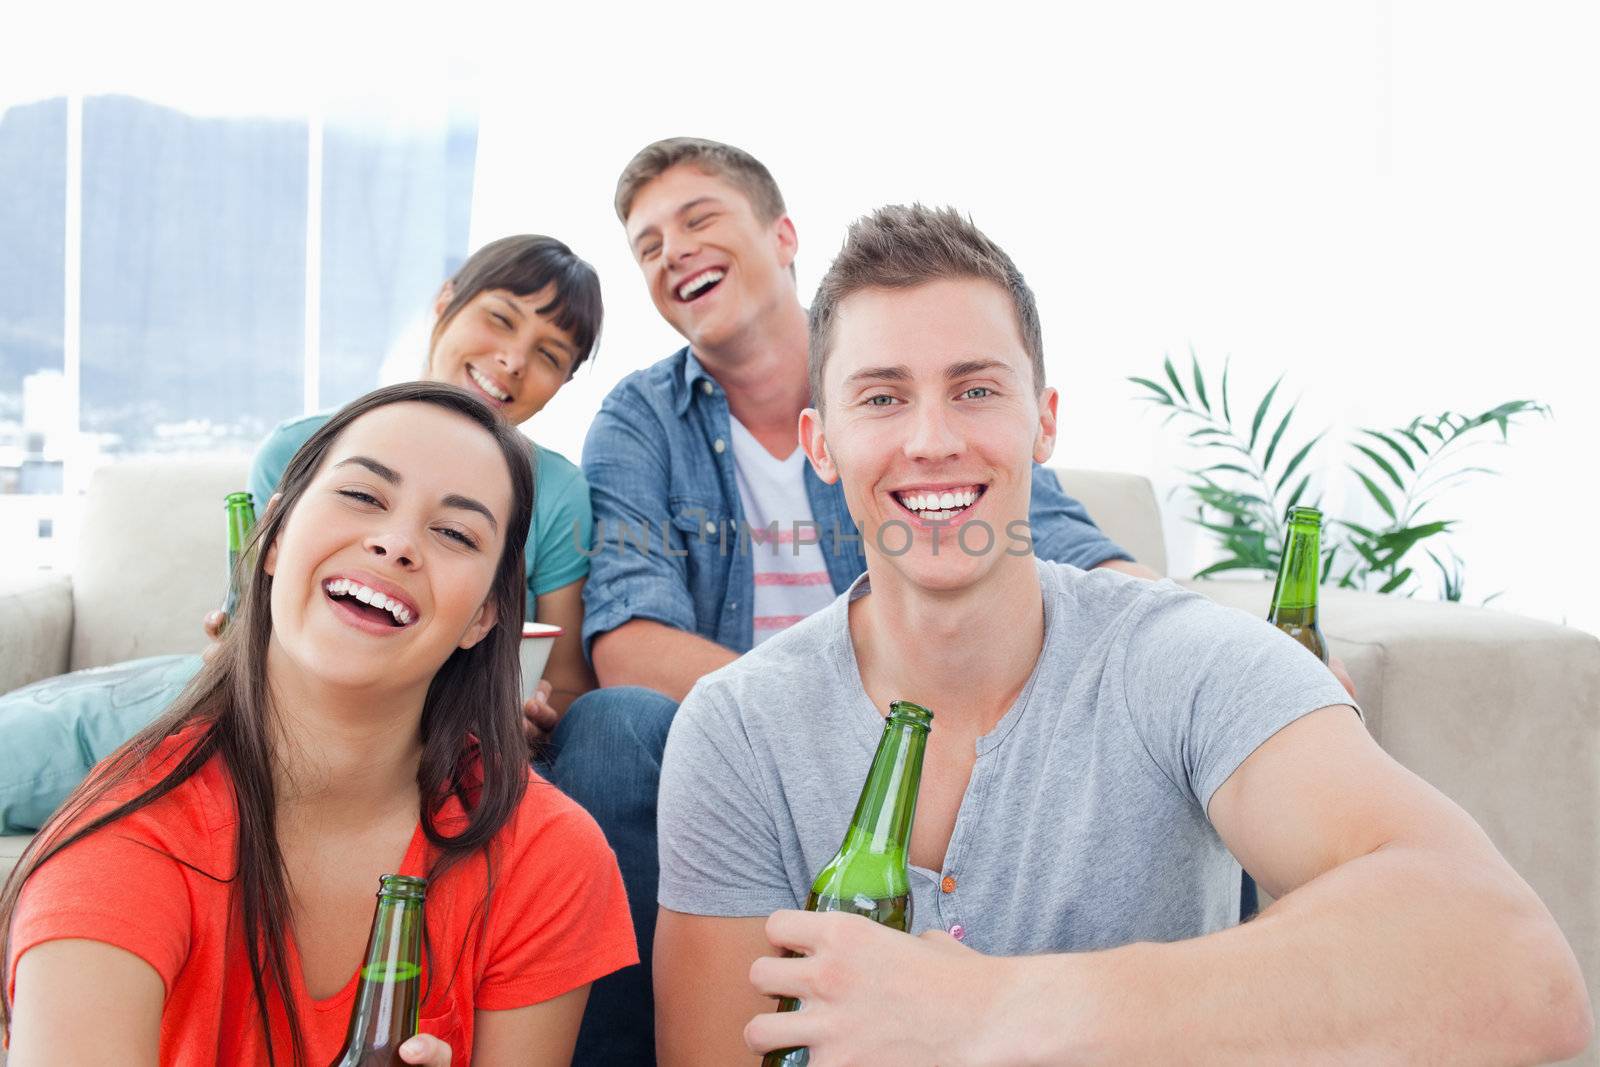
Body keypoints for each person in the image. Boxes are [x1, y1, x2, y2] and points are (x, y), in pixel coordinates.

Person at [652, 205, 1591, 1064]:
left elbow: (1520, 974)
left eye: (977, 390)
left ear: (1045, 423)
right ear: (820, 442)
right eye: (883, 397)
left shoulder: (1184, 662)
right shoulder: (739, 727)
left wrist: (991, 1010)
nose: (932, 438)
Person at [550, 138, 1156, 1063]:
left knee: (1178, 717)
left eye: (699, 218)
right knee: (611, 726)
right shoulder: (640, 421)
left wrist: (1221, 648)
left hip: (938, 717)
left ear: (784, 235)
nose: (673, 249)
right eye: (647, 244)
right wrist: (814, 716)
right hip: (740, 748)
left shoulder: (917, 395)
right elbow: (630, 642)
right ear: (818, 440)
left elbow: (1070, 548)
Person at [2, 382, 637, 1065]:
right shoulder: (124, 844)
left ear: (483, 616)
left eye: (454, 532)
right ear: (271, 536)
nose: (395, 543)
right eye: (364, 495)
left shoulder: (546, 854)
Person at [0, 234, 602, 834]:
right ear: (446, 300)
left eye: (550, 355)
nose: (514, 359)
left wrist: (523, 716)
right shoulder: (300, 448)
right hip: (256, 706)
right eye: (500, 318)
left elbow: (568, 686)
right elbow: (251, 625)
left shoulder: (557, 493)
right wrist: (241, 639)